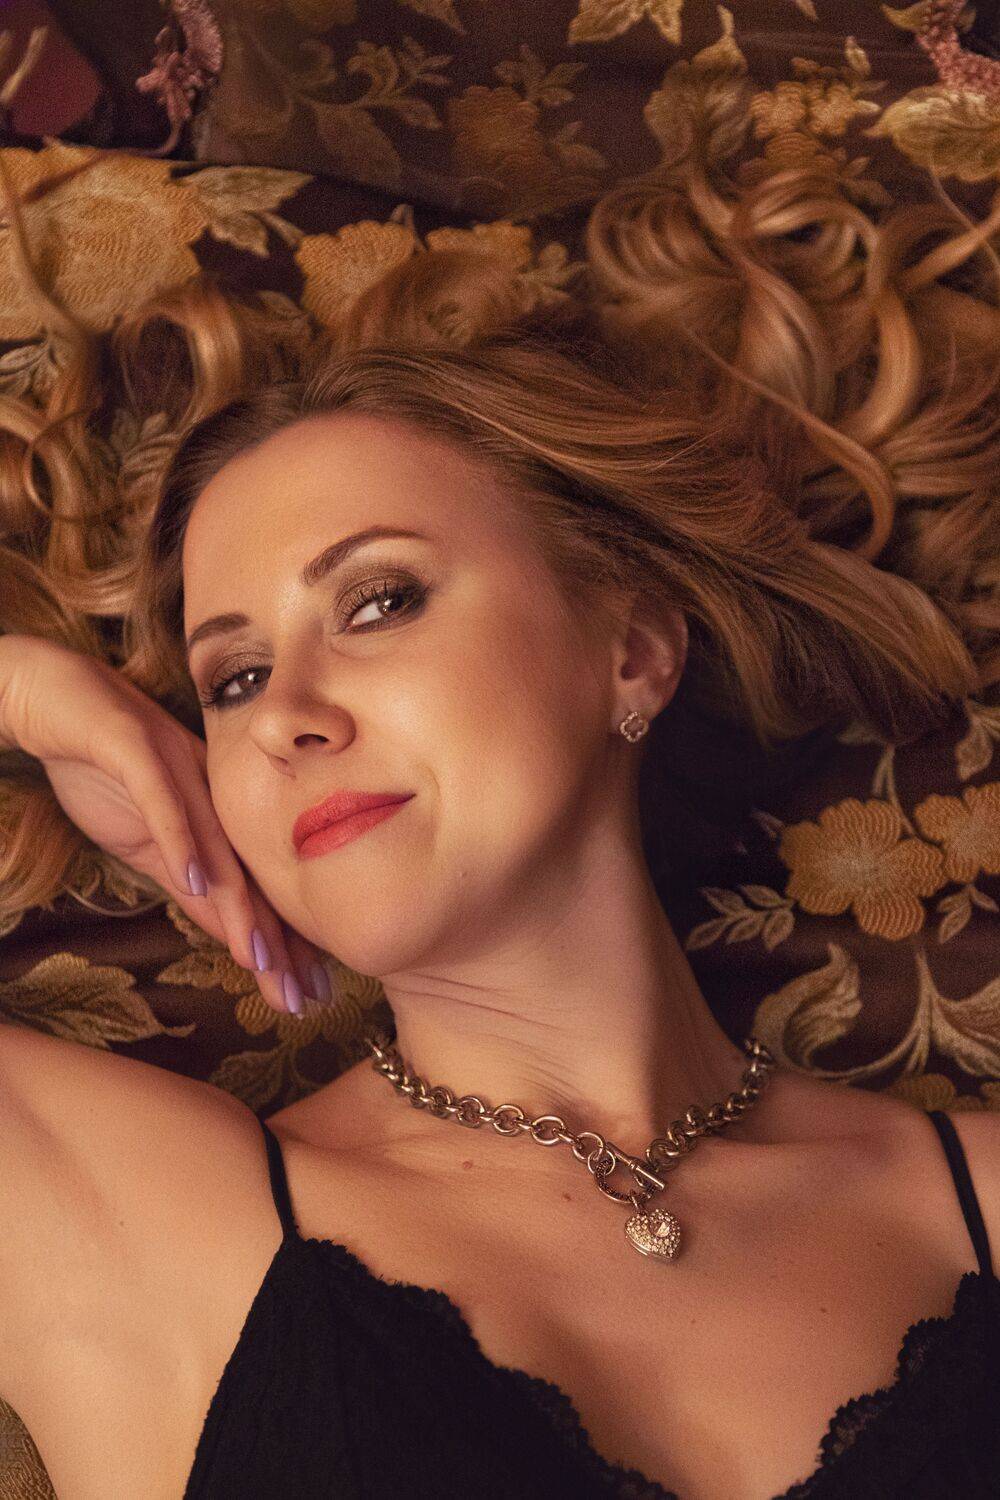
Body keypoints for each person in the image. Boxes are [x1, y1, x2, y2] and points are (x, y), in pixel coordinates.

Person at [0, 163, 998, 1499]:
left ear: (631, 648)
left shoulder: (976, 1204)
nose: (283, 715)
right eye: (231, 680)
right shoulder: (132, 1215)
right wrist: (28, 693)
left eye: (378, 602)